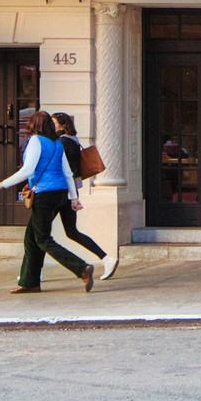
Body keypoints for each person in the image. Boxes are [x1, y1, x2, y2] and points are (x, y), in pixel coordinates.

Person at [0, 111, 97, 295]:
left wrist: (3, 184)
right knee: (31, 238)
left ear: (33, 124)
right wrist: (73, 197)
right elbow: (67, 173)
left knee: (42, 239)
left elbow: (27, 170)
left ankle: (81, 268)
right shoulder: (57, 143)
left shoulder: (36, 140)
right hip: (60, 194)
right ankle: (29, 282)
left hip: (45, 195)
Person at [51, 112, 118, 280]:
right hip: (69, 191)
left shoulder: (63, 142)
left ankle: (34, 272)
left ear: (62, 125)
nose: (52, 126)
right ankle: (106, 259)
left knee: (40, 234)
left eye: (54, 123)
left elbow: (67, 169)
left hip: (61, 191)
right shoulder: (72, 140)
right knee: (71, 232)